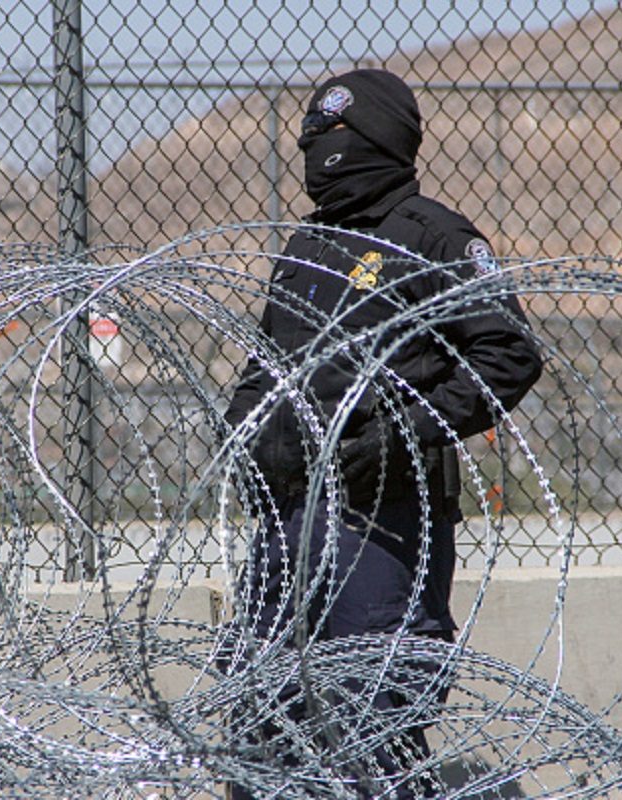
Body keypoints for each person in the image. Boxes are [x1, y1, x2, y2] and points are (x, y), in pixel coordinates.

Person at [223, 69, 543, 798]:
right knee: (262, 718)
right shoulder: (308, 244)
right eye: (315, 136)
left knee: (372, 717)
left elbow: (508, 352)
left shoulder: (433, 236)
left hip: (385, 517)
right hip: (291, 514)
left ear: (384, 141)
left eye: (342, 135)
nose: (323, 151)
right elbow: (263, 364)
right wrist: (249, 430)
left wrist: (406, 428)